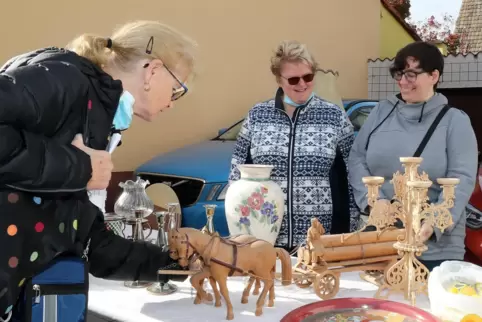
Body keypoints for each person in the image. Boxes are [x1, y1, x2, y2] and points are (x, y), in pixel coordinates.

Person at [0, 20, 197, 317]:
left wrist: (176, 264)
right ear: (153, 70)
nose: (172, 103)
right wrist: (79, 168)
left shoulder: (99, 117)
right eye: (177, 89)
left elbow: (89, 241)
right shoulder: (66, 79)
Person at [348, 41, 478, 271]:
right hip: (380, 240)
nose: (402, 81)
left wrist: (433, 223)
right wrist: (373, 201)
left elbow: (462, 178)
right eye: (399, 74)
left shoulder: (455, 121)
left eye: (410, 74)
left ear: (434, 76)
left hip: (434, 248)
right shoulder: (381, 111)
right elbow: (357, 157)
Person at [228, 40, 360, 251]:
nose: (302, 84)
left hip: (318, 240)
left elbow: (351, 175)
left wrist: (349, 230)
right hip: (263, 239)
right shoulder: (257, 115)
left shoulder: (334, 117)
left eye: (308, 77)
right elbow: (237, 173)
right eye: (293, 79)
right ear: (279, 80)